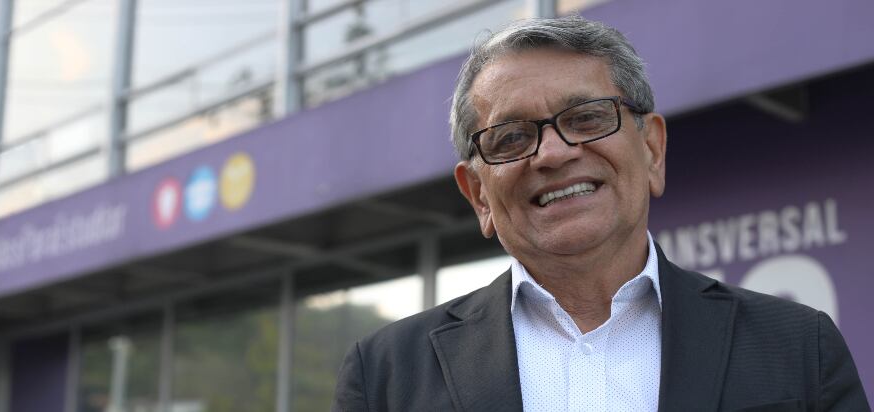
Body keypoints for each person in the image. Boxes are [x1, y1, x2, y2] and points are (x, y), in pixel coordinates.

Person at [332, 15, 869, 411]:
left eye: (587, 118)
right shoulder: (385, 375)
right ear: (478, 195)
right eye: (511, 137)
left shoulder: (800, 346)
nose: (552, 153)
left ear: (652, 150)